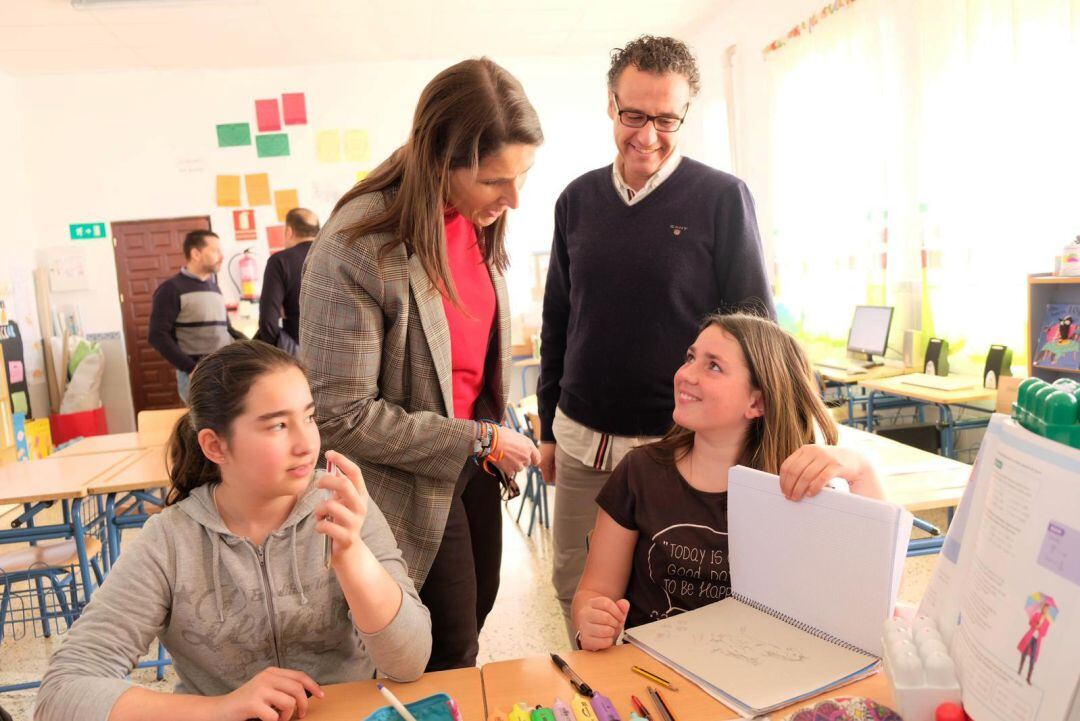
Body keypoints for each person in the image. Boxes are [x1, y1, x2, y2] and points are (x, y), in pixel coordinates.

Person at [35, 341, 431, 721]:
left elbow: (410, 661)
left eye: (308, 417)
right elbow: (61, 694)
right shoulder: (170, 541)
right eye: (277, 425)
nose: (306, 443)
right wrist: (221, 709)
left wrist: (353, 558)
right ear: (215, 446)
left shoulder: (342, 506)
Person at [301, 58, 543, 671]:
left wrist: (493, 429)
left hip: (472, 462)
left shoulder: (480, 220)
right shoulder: (358, 248)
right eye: (495, 180)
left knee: (477, 612)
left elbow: (466, 362)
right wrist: (479, 436)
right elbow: (339, 418)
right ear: (440, 160)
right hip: (406, 482)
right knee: (442, 648)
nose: (514, 197)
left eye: (523, 176)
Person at [538, 35, 777, 638]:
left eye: (666, 119)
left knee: (666, 596)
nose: (647, 135)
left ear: (685, 115)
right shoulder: (576, 200)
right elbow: (558, 320)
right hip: (581, 438)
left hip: (677, 444)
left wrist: (762, 438)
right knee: (577, 589)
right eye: (633, 115)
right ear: (611, 105)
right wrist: (545, 427)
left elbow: (758, 334)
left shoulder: (722, 198)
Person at [571, 313, 884, 650]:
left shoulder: (795, 486)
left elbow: (873, 595)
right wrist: (590, 619)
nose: (685, 374)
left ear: (757, 401)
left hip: (759, 676)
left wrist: (861, 469)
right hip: (653, 671)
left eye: (713, 366)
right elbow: (594, 591)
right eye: (690, 358)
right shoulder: (639, 472)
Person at [149, 230, 245, 404]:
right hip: (196, 376)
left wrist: (251, 347)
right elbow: (157, 336)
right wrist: (190, 368)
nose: (222, 256)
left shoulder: (214, 287)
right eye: (215, 250)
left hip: (224, 370)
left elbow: (227, 329)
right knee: (200, 427)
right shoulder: (171, 289)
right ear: (195, 254)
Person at [255, 207, 320, 354]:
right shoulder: (334, 257)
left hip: (298, 349)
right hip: (341, 347)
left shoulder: (279, 261)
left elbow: (268, 323)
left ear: (289, 231)